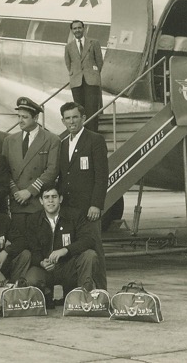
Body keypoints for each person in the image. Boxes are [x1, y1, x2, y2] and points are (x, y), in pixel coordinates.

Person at [58, 101, 108, 290]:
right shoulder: (62, 144)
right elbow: (63, 176)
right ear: (63, 121)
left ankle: (101, 290)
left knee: (94, 249)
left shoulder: (95, 140)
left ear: (83, 119)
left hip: (88, 209)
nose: (71, 121)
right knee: (72, 250)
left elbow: (102, 176)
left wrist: (96, 204)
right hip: (69, 209)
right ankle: (75, 291)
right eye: (67, 118)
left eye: (75, 117)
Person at [23, 185, 101, 305]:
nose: (50, 201)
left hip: (68, 266)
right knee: (32, 279)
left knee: (90, 255)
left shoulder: (74, 215)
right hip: (45, 268)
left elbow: (88, 240)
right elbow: (32, 249)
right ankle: (45, 296)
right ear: (41, 201)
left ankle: (84, 296)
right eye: (46, 197)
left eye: (54, 197)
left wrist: (65, 250)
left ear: (60, 199)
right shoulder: (33, 220)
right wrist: (42, 262)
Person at [2, 97, 60, 226]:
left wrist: (29, 191)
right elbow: (4, 170)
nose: (20, 121)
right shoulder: (9, 140)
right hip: (16, 202)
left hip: (38, 203)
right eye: (19, 117)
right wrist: (15, 192)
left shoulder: (51, 139)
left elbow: (52, 170)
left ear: (36, 118)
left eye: (25, 117)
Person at [64, 20, 104, 132]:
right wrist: (75, 74)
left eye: (79, 28)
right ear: (72, 31)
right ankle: (83, 134)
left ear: (84, 28)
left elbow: (99, 61)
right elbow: (68, 63)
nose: (77, 30)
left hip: (91, 80)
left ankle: (93, 134)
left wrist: (93, 73)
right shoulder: (69, 47)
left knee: (91, 110)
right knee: (79, 111)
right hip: (76, 81)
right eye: (75, 28)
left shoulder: (93, 43)